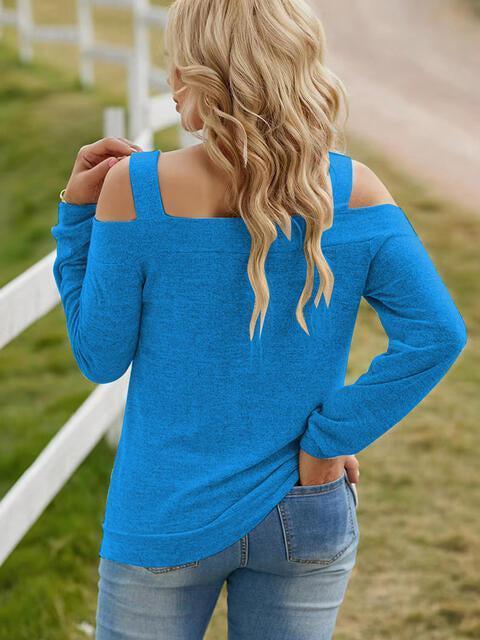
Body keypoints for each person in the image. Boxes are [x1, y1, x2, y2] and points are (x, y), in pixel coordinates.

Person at [50, 1, 467, 638]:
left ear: (200, 75)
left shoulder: (134, 188)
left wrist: (76, 219)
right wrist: (330, 440)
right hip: (305, 505)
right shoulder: (355, 192)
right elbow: (436, 334)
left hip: (163, 510)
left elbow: (99, 358)